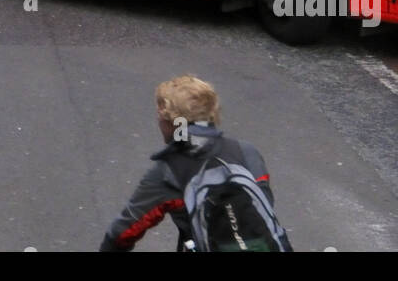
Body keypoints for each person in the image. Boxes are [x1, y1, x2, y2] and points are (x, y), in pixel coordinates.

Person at [99, 75, 284, 252]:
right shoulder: (246, 151)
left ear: (172, 122)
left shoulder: (169, 172)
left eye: (160, 116)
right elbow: (264, 205)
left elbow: (123, 232)